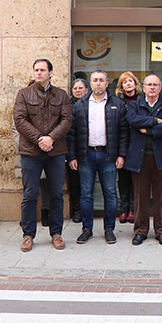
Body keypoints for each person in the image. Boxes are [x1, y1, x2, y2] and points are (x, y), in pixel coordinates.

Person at [13, 59, 73, 252]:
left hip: (56, 152)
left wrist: (51, 138)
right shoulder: (24, 94)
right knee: (30, 194)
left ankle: (56, 233)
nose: (38, 73)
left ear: (50, 73)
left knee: (56, 194)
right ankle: (28, 235)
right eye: (36, 70)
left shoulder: (61, 95)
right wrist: (40, 139)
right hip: (31, 152)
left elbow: (66, 120)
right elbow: (20, 120)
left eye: (42, 70)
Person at [71, 71, 129, 245]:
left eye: (101, 80)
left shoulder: (117, 104)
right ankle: (86, 229)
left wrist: (121, 155)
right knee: (86, 195)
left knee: (110, 194)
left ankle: (109, 229)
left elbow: (123, 132)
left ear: (107, 83)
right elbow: (72, 132)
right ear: (91, 83)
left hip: (108, 155)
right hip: (85, 155)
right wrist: (72, 156)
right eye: (95, 80)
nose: (98, 83)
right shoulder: (80, 105)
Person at [124, 74, 162, 246]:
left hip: (161, 157)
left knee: (161, 197)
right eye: (149, 84)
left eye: (155, 85)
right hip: (140, 157)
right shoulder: (135, 105)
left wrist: (148, 130)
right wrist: (154, 120)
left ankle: (161, 232)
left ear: (160, 88)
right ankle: (140, 231)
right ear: (144, 88)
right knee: (140, 197)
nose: (152, 87)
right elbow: (132, 120)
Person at [115, 71, 140, 224]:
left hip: (137, 143)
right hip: (122, 144)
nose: (128, 84)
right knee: (123, 179)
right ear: (121, 86)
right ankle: (123, 209)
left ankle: (133, 209)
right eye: (125, 82)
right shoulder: (117, 102)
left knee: (136, 179)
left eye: (130, 81)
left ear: (135, 83)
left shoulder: (141, 100)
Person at [65, 78, 88, 225]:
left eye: (81, 88)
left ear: (86, 90)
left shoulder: (92, 104)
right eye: (75, 88)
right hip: (72, 148)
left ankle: (87, 210)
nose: (78, 91)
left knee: (87, 183)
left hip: (88, 149)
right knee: (74, 182)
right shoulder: (67, 106)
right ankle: (77, 210)